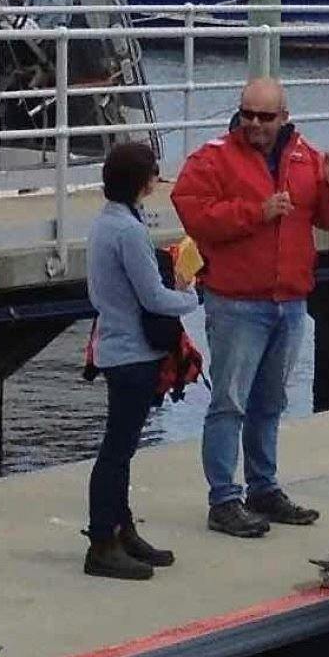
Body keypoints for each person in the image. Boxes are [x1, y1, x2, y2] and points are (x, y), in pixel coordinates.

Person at [172, 77, 329, 537]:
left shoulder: (306, 158)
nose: (254, 124)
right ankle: (223, 498)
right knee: (229, 402)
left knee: (270, 401)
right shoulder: (212, 157)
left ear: (284, 118)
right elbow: (193, 213)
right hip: (236, 302)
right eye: (247, 114)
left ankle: (264, 488)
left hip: (289, 301)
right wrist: (256, 211)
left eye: (265, 116)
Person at [83, 140, 202, 581]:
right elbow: (152, 296)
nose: (157, 179)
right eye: (153, 173)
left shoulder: (104, 223)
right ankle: (101, 541)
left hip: (115, 346)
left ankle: (122, 529)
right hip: (132, 353)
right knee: (117, 449)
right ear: (142, 183)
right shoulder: (129, 231)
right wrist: (190, 294)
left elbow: (102, 293)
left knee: (123, 447)